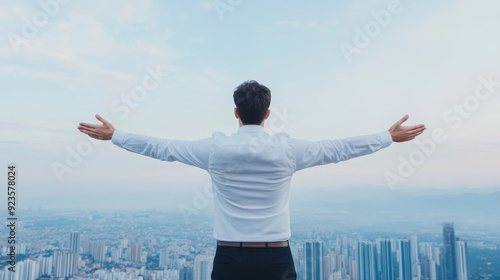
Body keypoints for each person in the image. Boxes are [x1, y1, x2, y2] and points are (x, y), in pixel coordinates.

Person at [78, 80, 426, 280]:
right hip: (277, 259)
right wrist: (386, 137)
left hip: (229, 260)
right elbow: (337, 149)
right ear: (268, 113)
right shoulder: (287, 150)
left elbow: (163, 148)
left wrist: (116, 135)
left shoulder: (215, 150)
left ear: (235, 113)